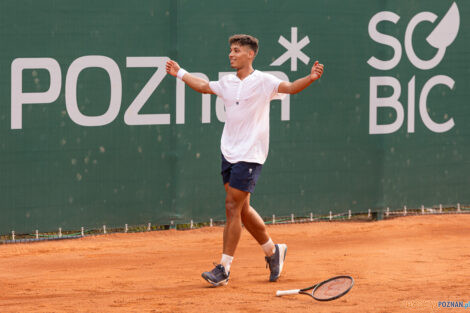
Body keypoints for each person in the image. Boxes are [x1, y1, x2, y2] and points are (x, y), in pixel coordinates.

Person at [166, 34, 324, 287]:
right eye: (230, 50)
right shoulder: (228, 82)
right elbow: (204, 86)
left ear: (250, 54)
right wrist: (180, 72)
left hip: (251, 153)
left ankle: (224, 269)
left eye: (236, 50)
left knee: (231, 207)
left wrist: (311, 78)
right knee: (243, 210)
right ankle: (274, 252)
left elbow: (291, 87)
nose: (231, 54)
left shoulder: (264, 81)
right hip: (229, 152)